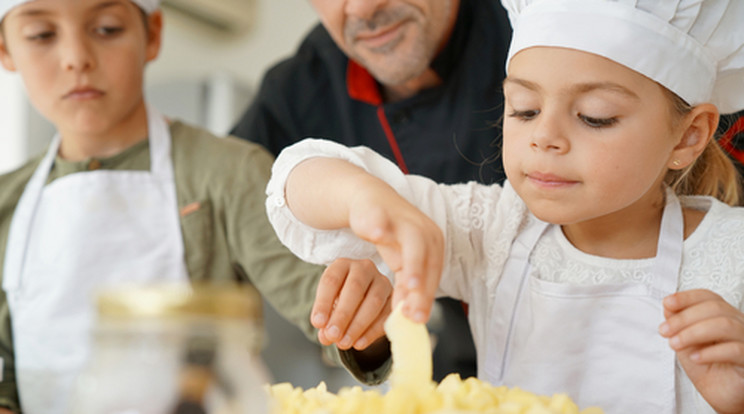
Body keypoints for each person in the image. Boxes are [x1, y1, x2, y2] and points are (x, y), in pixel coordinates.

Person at [264, 0, 744, 412]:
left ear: (689, 135)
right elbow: (296, 178)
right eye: (524, 109)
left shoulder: (734, 253)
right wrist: (370, 200)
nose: (545, 137)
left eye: (595, 117)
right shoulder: (493, 228)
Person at [0, 0, 392, 412]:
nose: (76, 59)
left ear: (152, 35)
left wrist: (365, 318)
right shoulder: (7, 204)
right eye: (42, 35)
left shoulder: (228, 173)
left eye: (108, 28)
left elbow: (334, 319)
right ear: (6, 50)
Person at [231, 0, 513, 382]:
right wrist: (361, 317)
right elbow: (270, 192)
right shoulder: (301, 86)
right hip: (456, 380)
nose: (363, 8)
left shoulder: (532, 30)